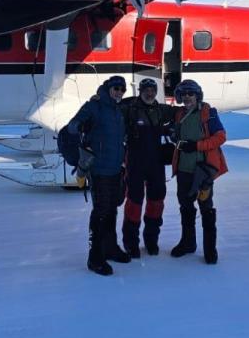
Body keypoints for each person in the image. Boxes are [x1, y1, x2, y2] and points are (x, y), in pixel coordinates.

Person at [67, 75, 131, 276]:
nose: (119, 92)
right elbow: (72, 125)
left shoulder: (118, 110)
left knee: (112, 210)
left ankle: (110, 248)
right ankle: (95, 257)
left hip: (115, 169)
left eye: (122, 89)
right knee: (101, 213)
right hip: (99, 170)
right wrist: (81, 126)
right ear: (108, 88)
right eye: (116, 88)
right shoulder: (94, 106)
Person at [170, 79, 228, 264]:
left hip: (202, 170)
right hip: (184, 170)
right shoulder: (179, 114)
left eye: (191, 94)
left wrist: (197, 146)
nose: (187, 98)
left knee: (206, 208)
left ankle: (210, 249)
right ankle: (188, 243)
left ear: (197, 96)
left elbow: (220, 137)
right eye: (184, 94)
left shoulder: (208, 114)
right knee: (186, 207)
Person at [119, 77, 176, 257]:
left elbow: (182, 112)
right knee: (134, 201)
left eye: (152, 90)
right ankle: (131, 243)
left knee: (156, 200)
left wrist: (202, 105)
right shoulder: (129, 109)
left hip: (156, 163)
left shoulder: (162, 110)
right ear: (140, 92)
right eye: (146, 90)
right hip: (135, 163)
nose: (149, 93)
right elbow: (110, 110)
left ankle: (151, 240)